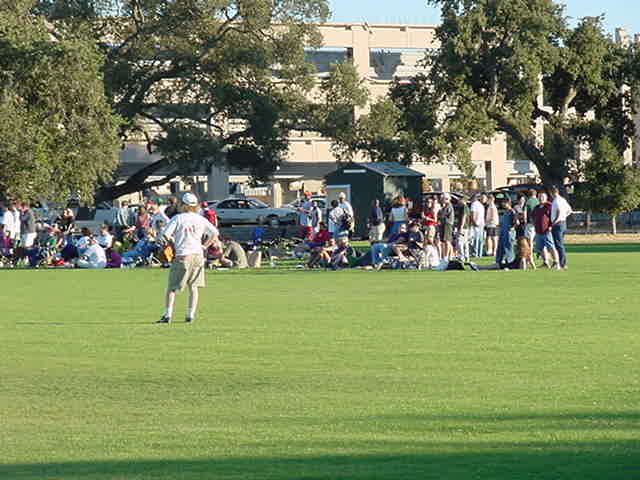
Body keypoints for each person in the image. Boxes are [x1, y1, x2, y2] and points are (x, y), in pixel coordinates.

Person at [156, 192, 219, 324]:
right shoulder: (200, 219)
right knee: (193, 287)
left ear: (183, 205)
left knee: (172, 288)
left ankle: (167, 315)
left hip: (183, 255)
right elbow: (214, 233)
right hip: (198, 255)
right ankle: (190, 315)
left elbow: (165, 235)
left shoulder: (178, 218)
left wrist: (171, 243)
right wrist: (204, 246)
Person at [531, 191, 559, 269]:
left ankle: (556, 262)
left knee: (551, 246)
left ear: (546, 198)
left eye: (542, 197)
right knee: (541, 248)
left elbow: (554, 216)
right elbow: (532, 217)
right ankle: (545, 262)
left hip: (547, 231)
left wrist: (551, 226)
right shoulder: (536, 207)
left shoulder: (549, 206)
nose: (541, 198)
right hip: (538, 231)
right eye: (539, 197)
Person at [550, 185, 572, 269]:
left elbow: (558, 211)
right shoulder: (563, 199)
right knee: (560, 244)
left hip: (557, 224)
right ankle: (560, 262)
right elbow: (569, 210)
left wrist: (555, 221)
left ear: (551, 193)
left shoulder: (556, 201)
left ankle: (562, 263)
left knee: (558, 244)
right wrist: (563, 217)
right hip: (563, 223)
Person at [495, 198, 517, 266]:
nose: (503, 204)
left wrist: (512, 228)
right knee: (501, 246)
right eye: (503, 203)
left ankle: (510, 261)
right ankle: (499, 261)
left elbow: (516, 222)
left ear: (508, 203)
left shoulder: (512, 211)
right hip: (503, 231)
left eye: (505, 203)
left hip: (509, 232)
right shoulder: (505, 212)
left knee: (508, 247)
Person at [437, 193, 455, 261]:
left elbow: (443, 215)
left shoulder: (449, 206)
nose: (442, 200)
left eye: (443, 199)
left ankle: (446, 256)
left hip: (447, 224)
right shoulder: (445, 207)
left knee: (447, 241)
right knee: (445, 241)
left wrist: (440, 213)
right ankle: (448, 256)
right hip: (444, 224)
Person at [454, 197, 470, 261]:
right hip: (465, 227)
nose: (458, 201)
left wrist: (461, 227)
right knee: (465, 242)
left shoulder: (464, 207)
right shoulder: (465, 207)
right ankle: (466, 256)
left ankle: (461, 256)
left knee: (460, 242)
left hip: (463, 228)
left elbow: (464, 217)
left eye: (459, 200)